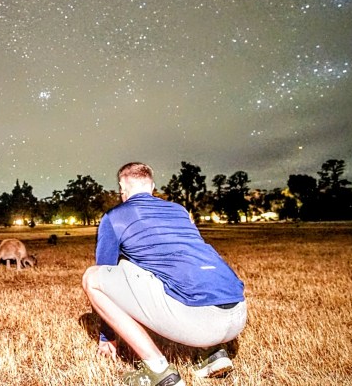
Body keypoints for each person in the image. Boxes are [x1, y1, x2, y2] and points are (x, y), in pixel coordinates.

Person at [82, 162, 247, 386]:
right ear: (152, 187)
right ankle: (214, 355)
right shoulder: (178, 210)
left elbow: (105, 268)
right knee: (182, 268)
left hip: (201, 324)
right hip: (237, 315)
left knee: (92, 278)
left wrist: (107, 335)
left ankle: (158, 371)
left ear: (122, 187)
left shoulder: (114, 217)